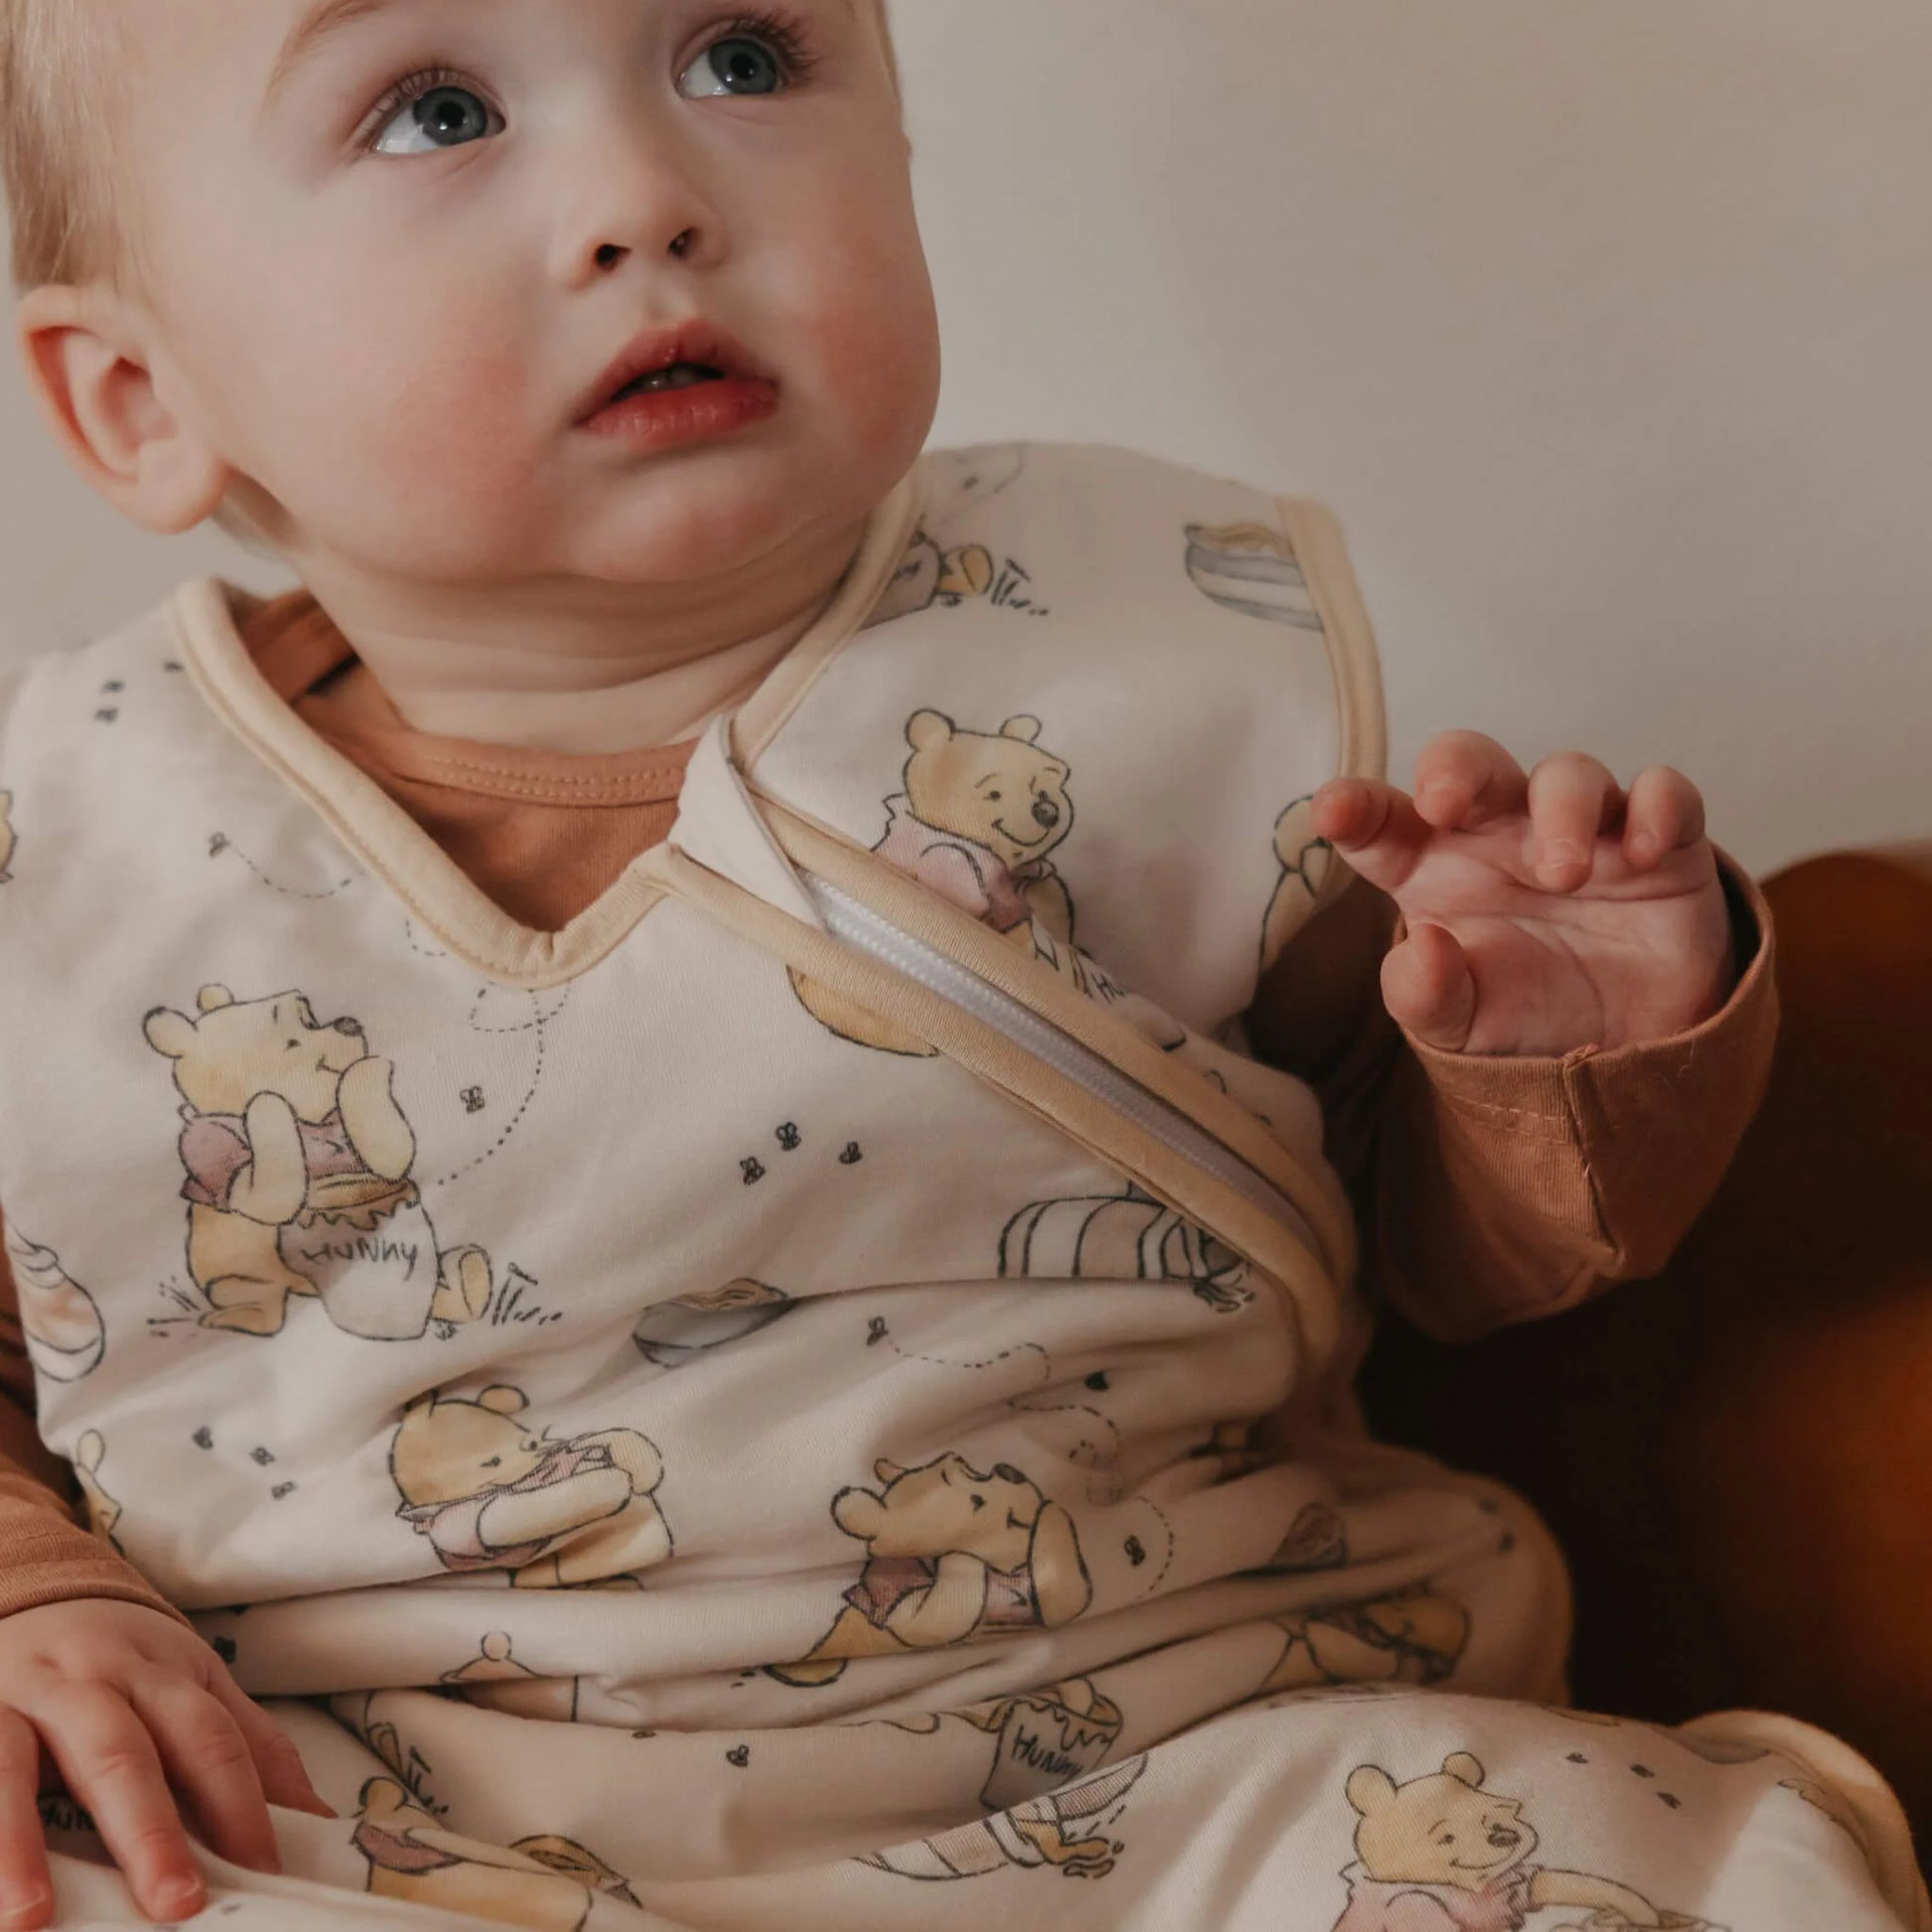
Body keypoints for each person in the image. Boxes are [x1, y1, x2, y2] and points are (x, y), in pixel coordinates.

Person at [0, 3, 1918, 1928]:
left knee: (1571, 1856)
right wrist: (34, 1592)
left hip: (1188, 1758)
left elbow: (1429, 1246)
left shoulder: (1135, 663)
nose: (642, 198)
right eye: (435, 112)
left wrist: (1561, 1057)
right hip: (399, 1829)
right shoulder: (65, 850)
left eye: (740, 59)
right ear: (140, 399)